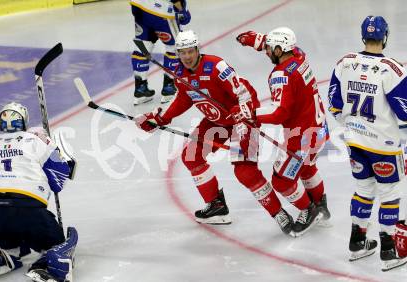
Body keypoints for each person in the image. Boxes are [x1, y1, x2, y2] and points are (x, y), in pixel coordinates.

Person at [135, 30, 297, 236]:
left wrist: (244, 119)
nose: (186, 56)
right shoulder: (179, 72)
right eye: (182, 52)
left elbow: (244, 93)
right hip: (216, 121)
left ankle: (279, 213)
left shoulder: (216, 67)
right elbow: (183, 99)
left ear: (197, 49)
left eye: (189, 51)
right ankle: (216, 206)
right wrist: (159, 119)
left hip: (243, 117)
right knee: (191, 156)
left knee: (245, 172)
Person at [328, 16, 407, 271]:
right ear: (385, 36)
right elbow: (405, 112)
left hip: (355, 142)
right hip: (384, 145)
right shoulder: (392, 69)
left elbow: (334, 103)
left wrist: (351, 125)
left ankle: (357, 242)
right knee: (390, 194)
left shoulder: (344, 63)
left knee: (364, 189)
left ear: (363, 36)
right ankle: (388, 250)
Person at [235, 27, 330, 236]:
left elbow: (280, 113)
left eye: (270, 48)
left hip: (301, 137)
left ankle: (309, 210)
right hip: (319, 128)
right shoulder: (299, 57)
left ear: (279, 49)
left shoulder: (281, 75)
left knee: (282, 180)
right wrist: (259, 41)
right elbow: (287, 50)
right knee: (307, 167)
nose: (267, 51)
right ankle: (320, 203)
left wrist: (250, 114)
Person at [0, 102, 78, 282]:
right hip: (30, 214)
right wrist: (60, 154)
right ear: (24, 120)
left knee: (8, 245)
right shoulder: (37, 140)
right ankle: (47, 268)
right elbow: (58, 180)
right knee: (55, 243)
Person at [130, 0, 191, 105]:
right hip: (162, 11)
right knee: (175, 47)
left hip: (138, 6)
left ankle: (140, 88)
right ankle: (169, 88)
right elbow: (184, 18)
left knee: (143, 45)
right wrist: (182, 10)